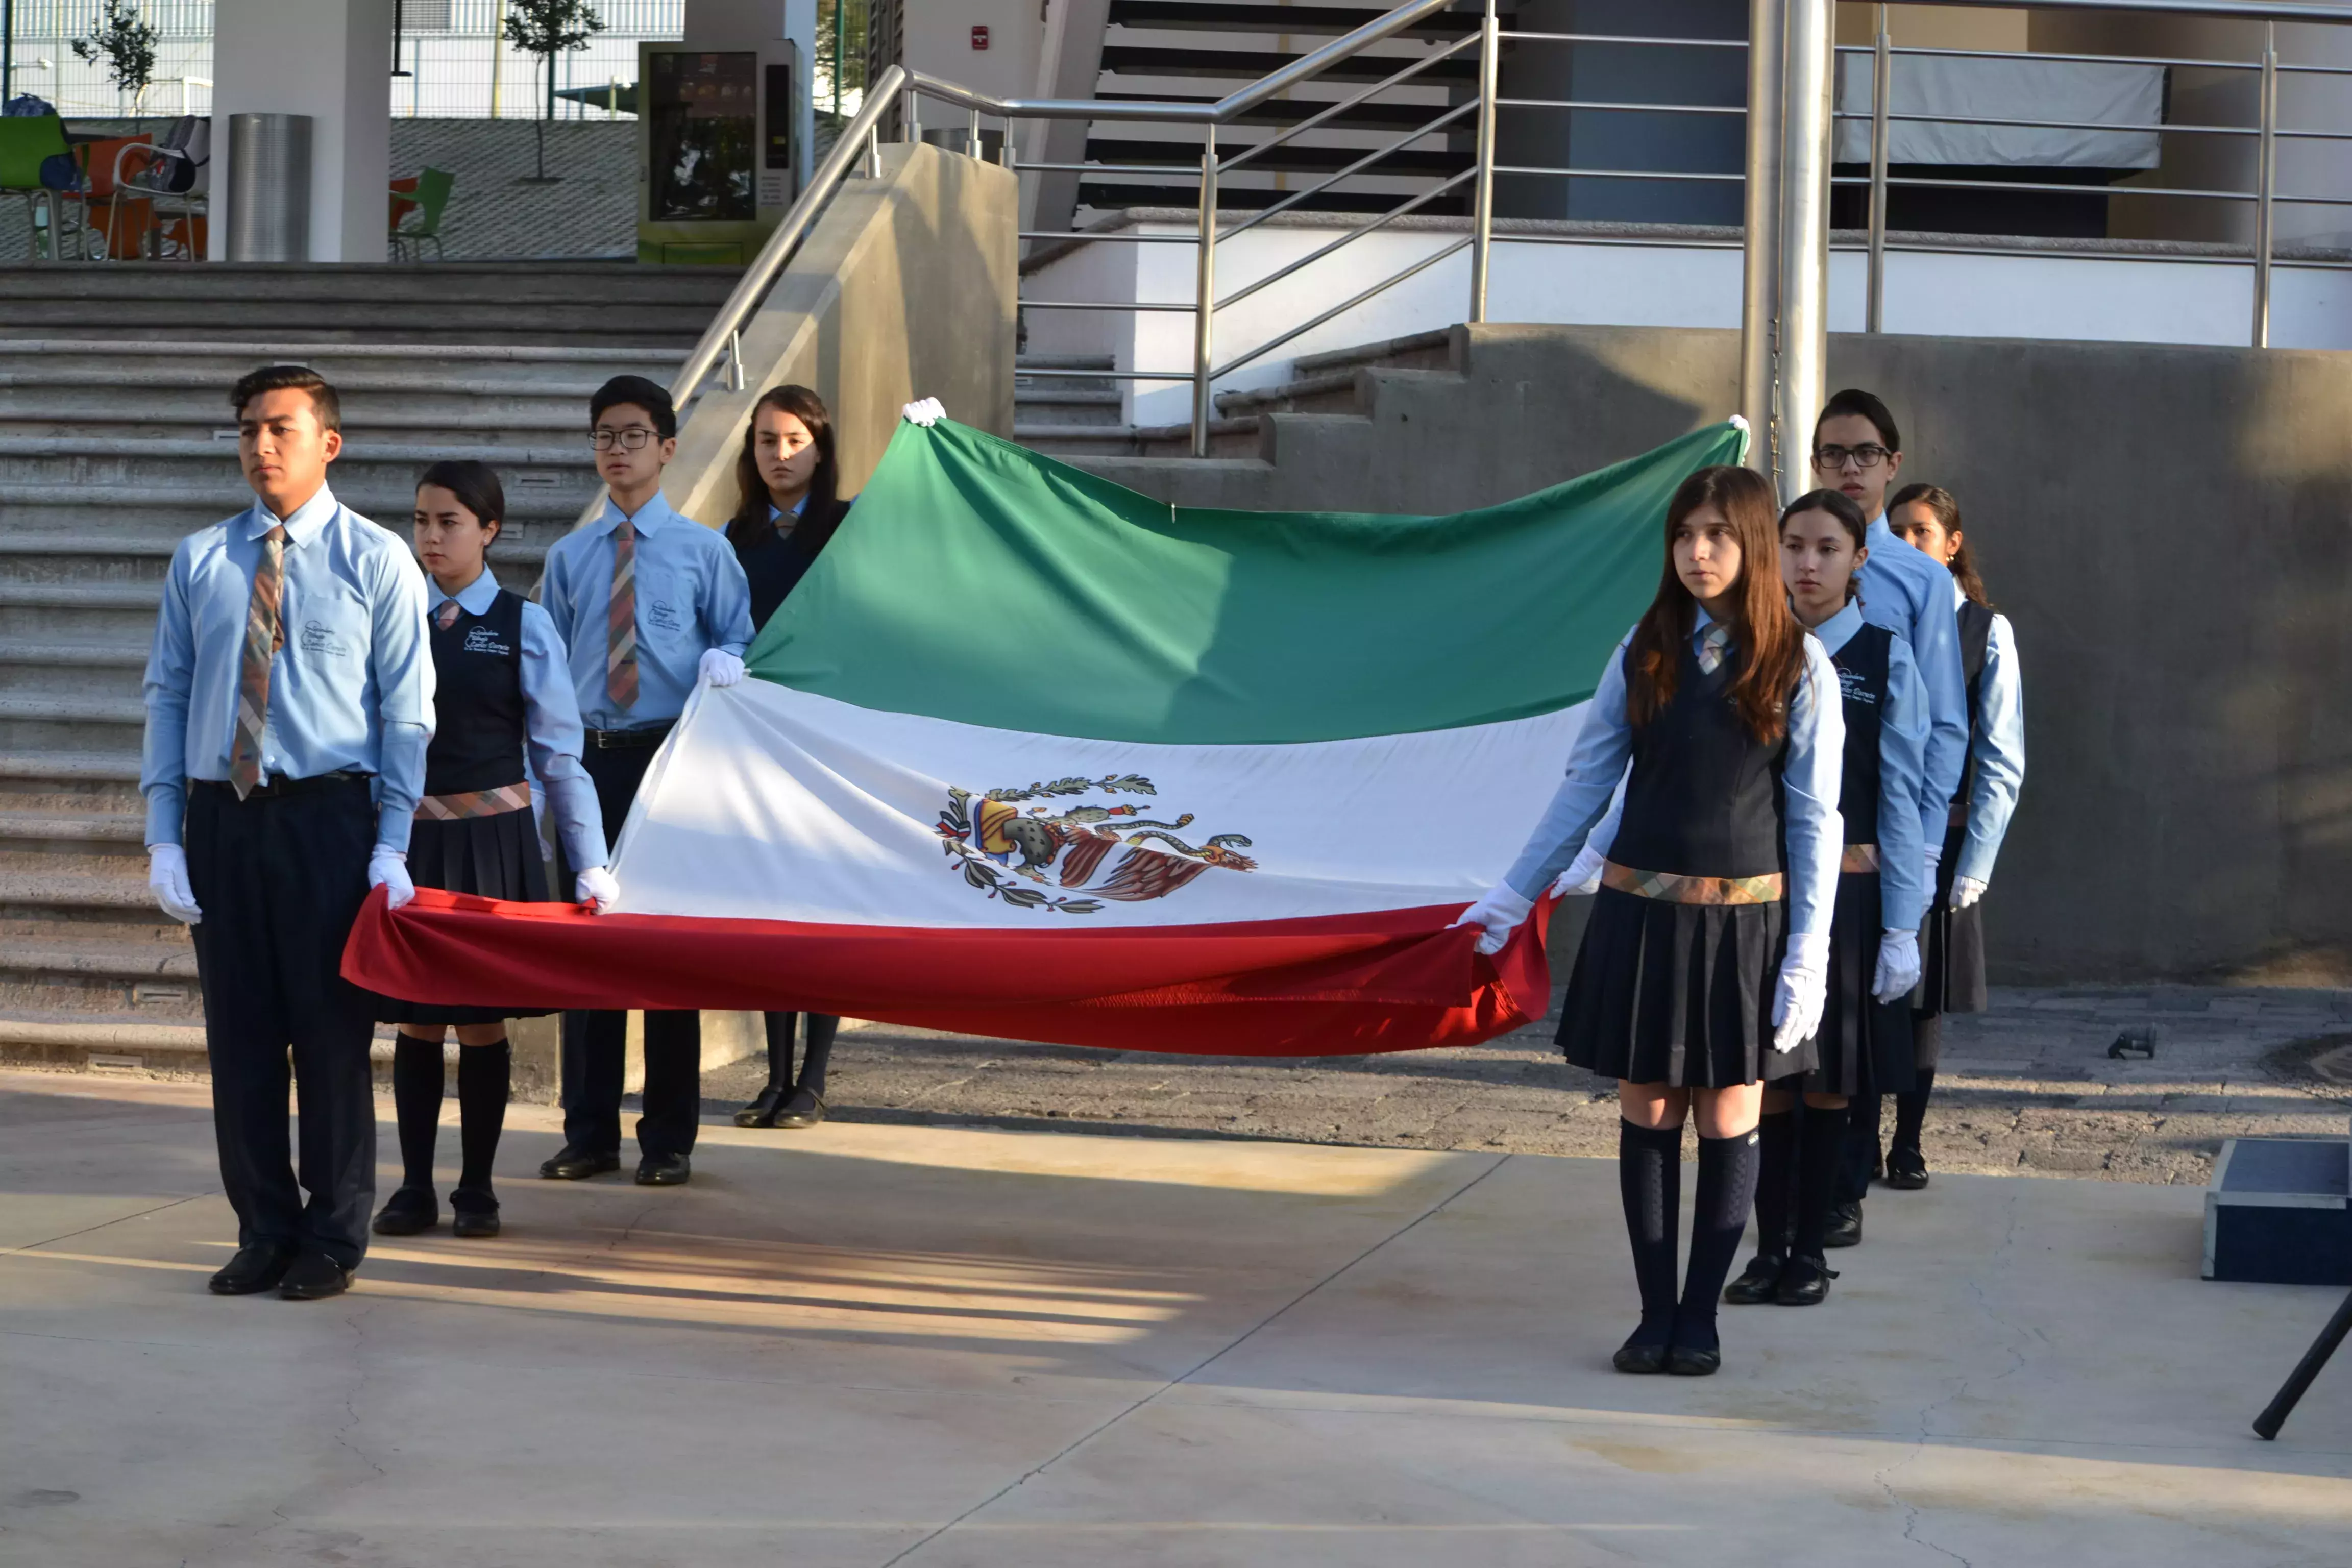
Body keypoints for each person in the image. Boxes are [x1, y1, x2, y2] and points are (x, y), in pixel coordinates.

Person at [1455, 464, 1844, 1377]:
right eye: (1683, 535)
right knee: (1650, 1108)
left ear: (1751, 544)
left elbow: (1815, 819)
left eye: (1716, 535)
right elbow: (1587, 781)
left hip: (1748, 926)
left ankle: (1701, 1317)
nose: (1698, 553)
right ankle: (1654, 1312)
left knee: (1729, 1112)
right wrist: (1518, 892)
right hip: (1642, 915)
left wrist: (1809, 958)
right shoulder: (1645, 646)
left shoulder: (1799, 662)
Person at [141, 364, 432, 1301]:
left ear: (328, 443)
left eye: (281, 430)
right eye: (247, 432)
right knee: (242, 1036)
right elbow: (170, 695)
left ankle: (334, 1236)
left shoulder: (377, 557)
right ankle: (263, 1224)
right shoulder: (202, 559)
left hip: (329, 818)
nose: (261, 447)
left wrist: (391, 840)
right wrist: (165, 832)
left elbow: (407, 712)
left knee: (331, 1035)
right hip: (222, 818)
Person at [371, 462, 622, 1240]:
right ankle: (413, 1186)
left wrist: (588, 857)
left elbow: (558, 753)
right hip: (410, 839)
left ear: (489, 530)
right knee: (416, 1022)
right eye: (420, 521)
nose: (431, 537)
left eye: (449, 522)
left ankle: (476, 1190)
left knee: (481, 1023)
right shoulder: (392, 617)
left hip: (494, 839)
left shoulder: (523, 624)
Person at [536, 375, 754, 1187]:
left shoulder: (706, 551)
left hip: (670, 761)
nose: (616, 451)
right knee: (585, 947)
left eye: (632, 436)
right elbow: (546, 667)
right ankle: (587, 1130)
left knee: (664, 953)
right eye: (603, 436)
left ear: (667, 447)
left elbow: (743, 644)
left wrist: (731, 659)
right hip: (588, 762)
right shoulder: (568, 559)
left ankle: (668, 1138)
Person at [1720, 489, 1927, 1309]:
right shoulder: (1748, 652)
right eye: (1794, 547)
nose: (1808, 565)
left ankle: (1812, 1249)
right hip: (1762, 900)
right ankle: (1766, 1249)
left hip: (1850, 899)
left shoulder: (1887, 657)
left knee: (1829, 1083)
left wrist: (1904, 924)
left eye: (1828, 549)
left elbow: (1906, 794)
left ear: (1858, 560)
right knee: (1766, 1081)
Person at [1807, 388, 1968, 1248]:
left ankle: (1844, 1189)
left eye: (1864, 453)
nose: (1849, 467)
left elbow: (1942, 717)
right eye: (1833, 454)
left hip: (1880, 822)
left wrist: (1922, 831)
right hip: (1794, 823)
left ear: (1892, 465)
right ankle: (1806, 1185)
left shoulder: (1920, 580)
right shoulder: (1790, 560)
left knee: (1863, 1015)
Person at [1875, 482, 2025, 1189]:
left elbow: (2001, 756)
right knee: (1865, 990)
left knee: (1921, 1000)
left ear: (1952, 544)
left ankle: (1908, 1141)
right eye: (1896, 530)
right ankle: (1853, 1139)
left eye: (1923, 532)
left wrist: (1979, 859)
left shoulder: (1983, 630)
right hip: (1869, 835)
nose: (1907, 545)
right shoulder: (1872, 612)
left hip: (1945, 842)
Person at [724, 385, 854, 1131]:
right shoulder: (734, 534)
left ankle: (813, 1078)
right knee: (769, 908)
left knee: (821, 909)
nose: (779, 455)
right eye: (767, 441)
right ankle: (773, 1079)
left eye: (794, 441)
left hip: (826, 738)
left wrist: (922, 446)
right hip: (757, 742)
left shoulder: (846, 528)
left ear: (821, 448)